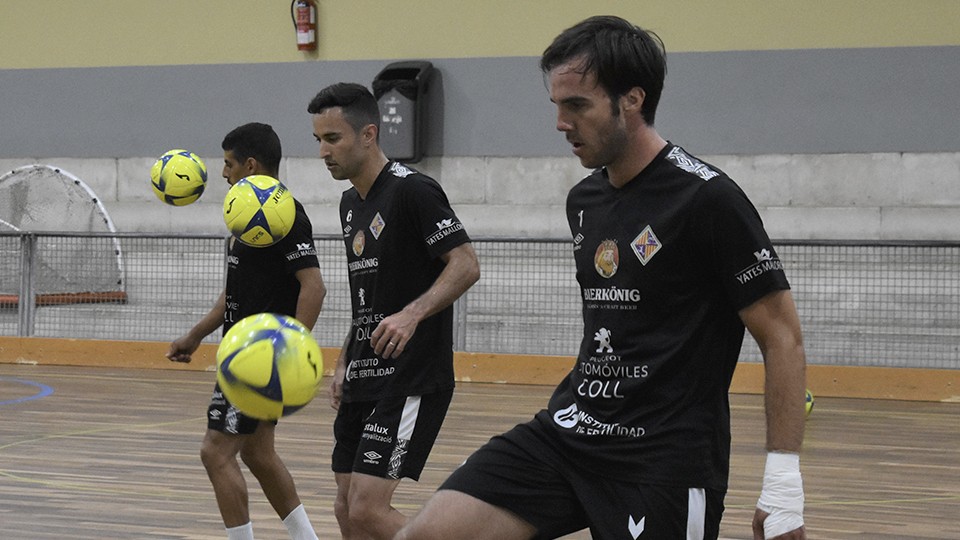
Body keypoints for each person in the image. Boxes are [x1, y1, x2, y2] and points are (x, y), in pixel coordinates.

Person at [396, 15, 807, 540]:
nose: (561, 123)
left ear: (632, 100)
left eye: (577, 106)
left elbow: (782, 335)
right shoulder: (584, 200)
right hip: (570, 435)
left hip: (663, 461)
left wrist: (783, 484)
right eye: (557, 106)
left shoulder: (708, 200)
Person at [306, 82, 480, 540]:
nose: (323, 151)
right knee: (345, 509)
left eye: (333, 139)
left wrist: (413, 313)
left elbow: (465, 264)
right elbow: (369, 297)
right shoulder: (350, 205)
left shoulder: (413, 191)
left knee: (367, 510)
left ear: (369, 134)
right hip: (365, 372)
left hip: (412, 376)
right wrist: (347, 358)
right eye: (318, 140)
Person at [167, 122, 327, 540]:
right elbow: (233, 294)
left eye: (228, 164)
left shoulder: (283, 214)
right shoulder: (249, 217)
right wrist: (196, 334)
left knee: (215, 453)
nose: (223, 173)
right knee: (257, 453)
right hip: (244, 352)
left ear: (251, 165)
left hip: (258, 359)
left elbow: (314, 286)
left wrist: (289, 352)